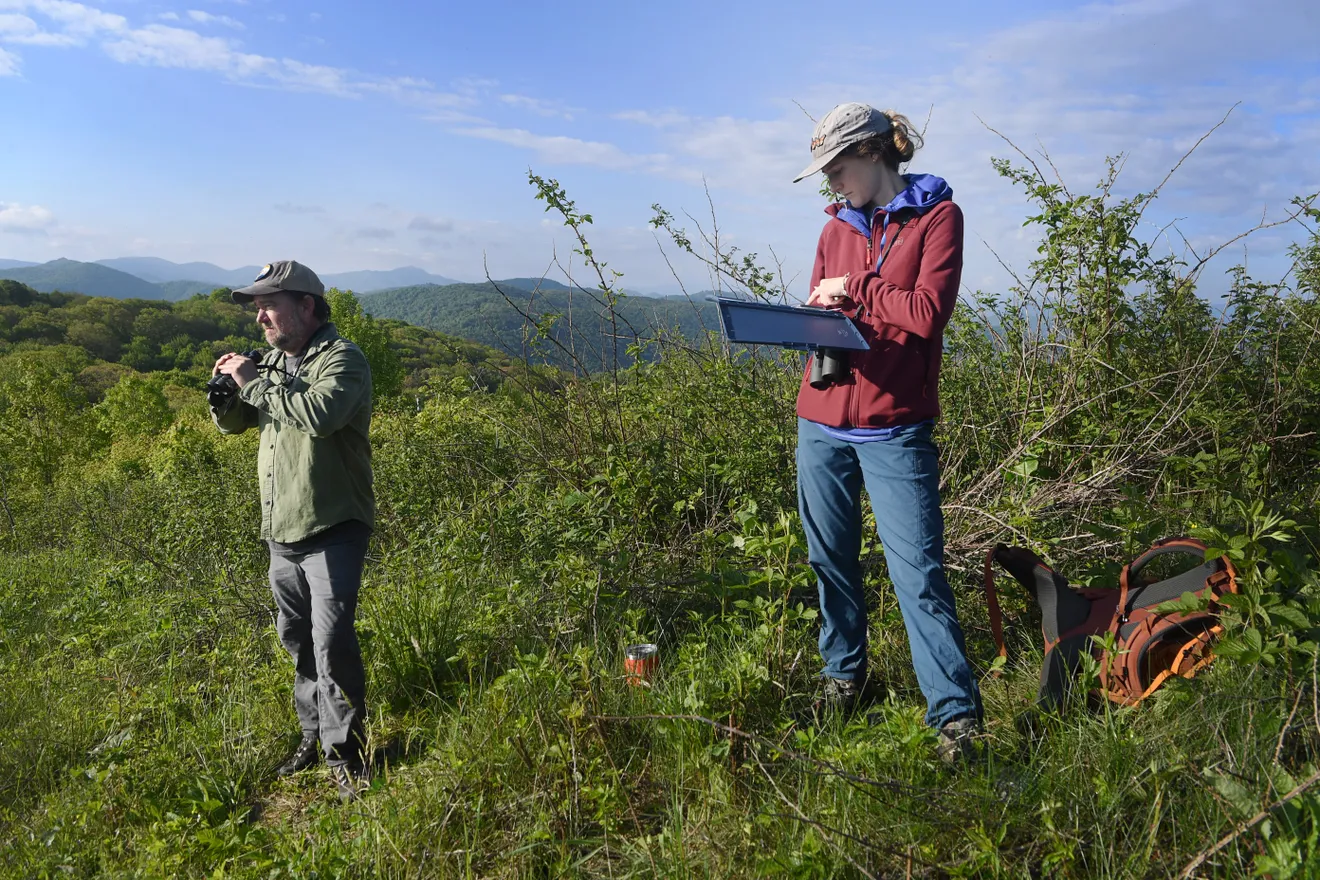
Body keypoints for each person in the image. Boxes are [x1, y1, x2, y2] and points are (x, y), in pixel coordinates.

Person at [791, 103, 982, 762]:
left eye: (837, 169)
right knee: (830, 561)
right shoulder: (833, 228)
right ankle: (845, 677)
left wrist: (859, 287)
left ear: (872, 155)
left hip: (896, 425)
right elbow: (828, 298)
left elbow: (927, 314)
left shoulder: (938, 218)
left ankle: (955, 717)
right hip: (822, 420)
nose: (832, 183)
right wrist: (816, 315)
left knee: (918, 574)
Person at [210, 260, 376, 798]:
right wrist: (226, 396)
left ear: (306, 305)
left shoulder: (344, 359)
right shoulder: (275, 364)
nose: (260, 317)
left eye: (269, 305)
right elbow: (238, 424)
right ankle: (313, 734)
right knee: (297, 640)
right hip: (282, 528)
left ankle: (347, 753)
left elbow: (321, 414)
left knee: (331, 645)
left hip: (332, 525)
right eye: (257, 307)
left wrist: (254, 382)